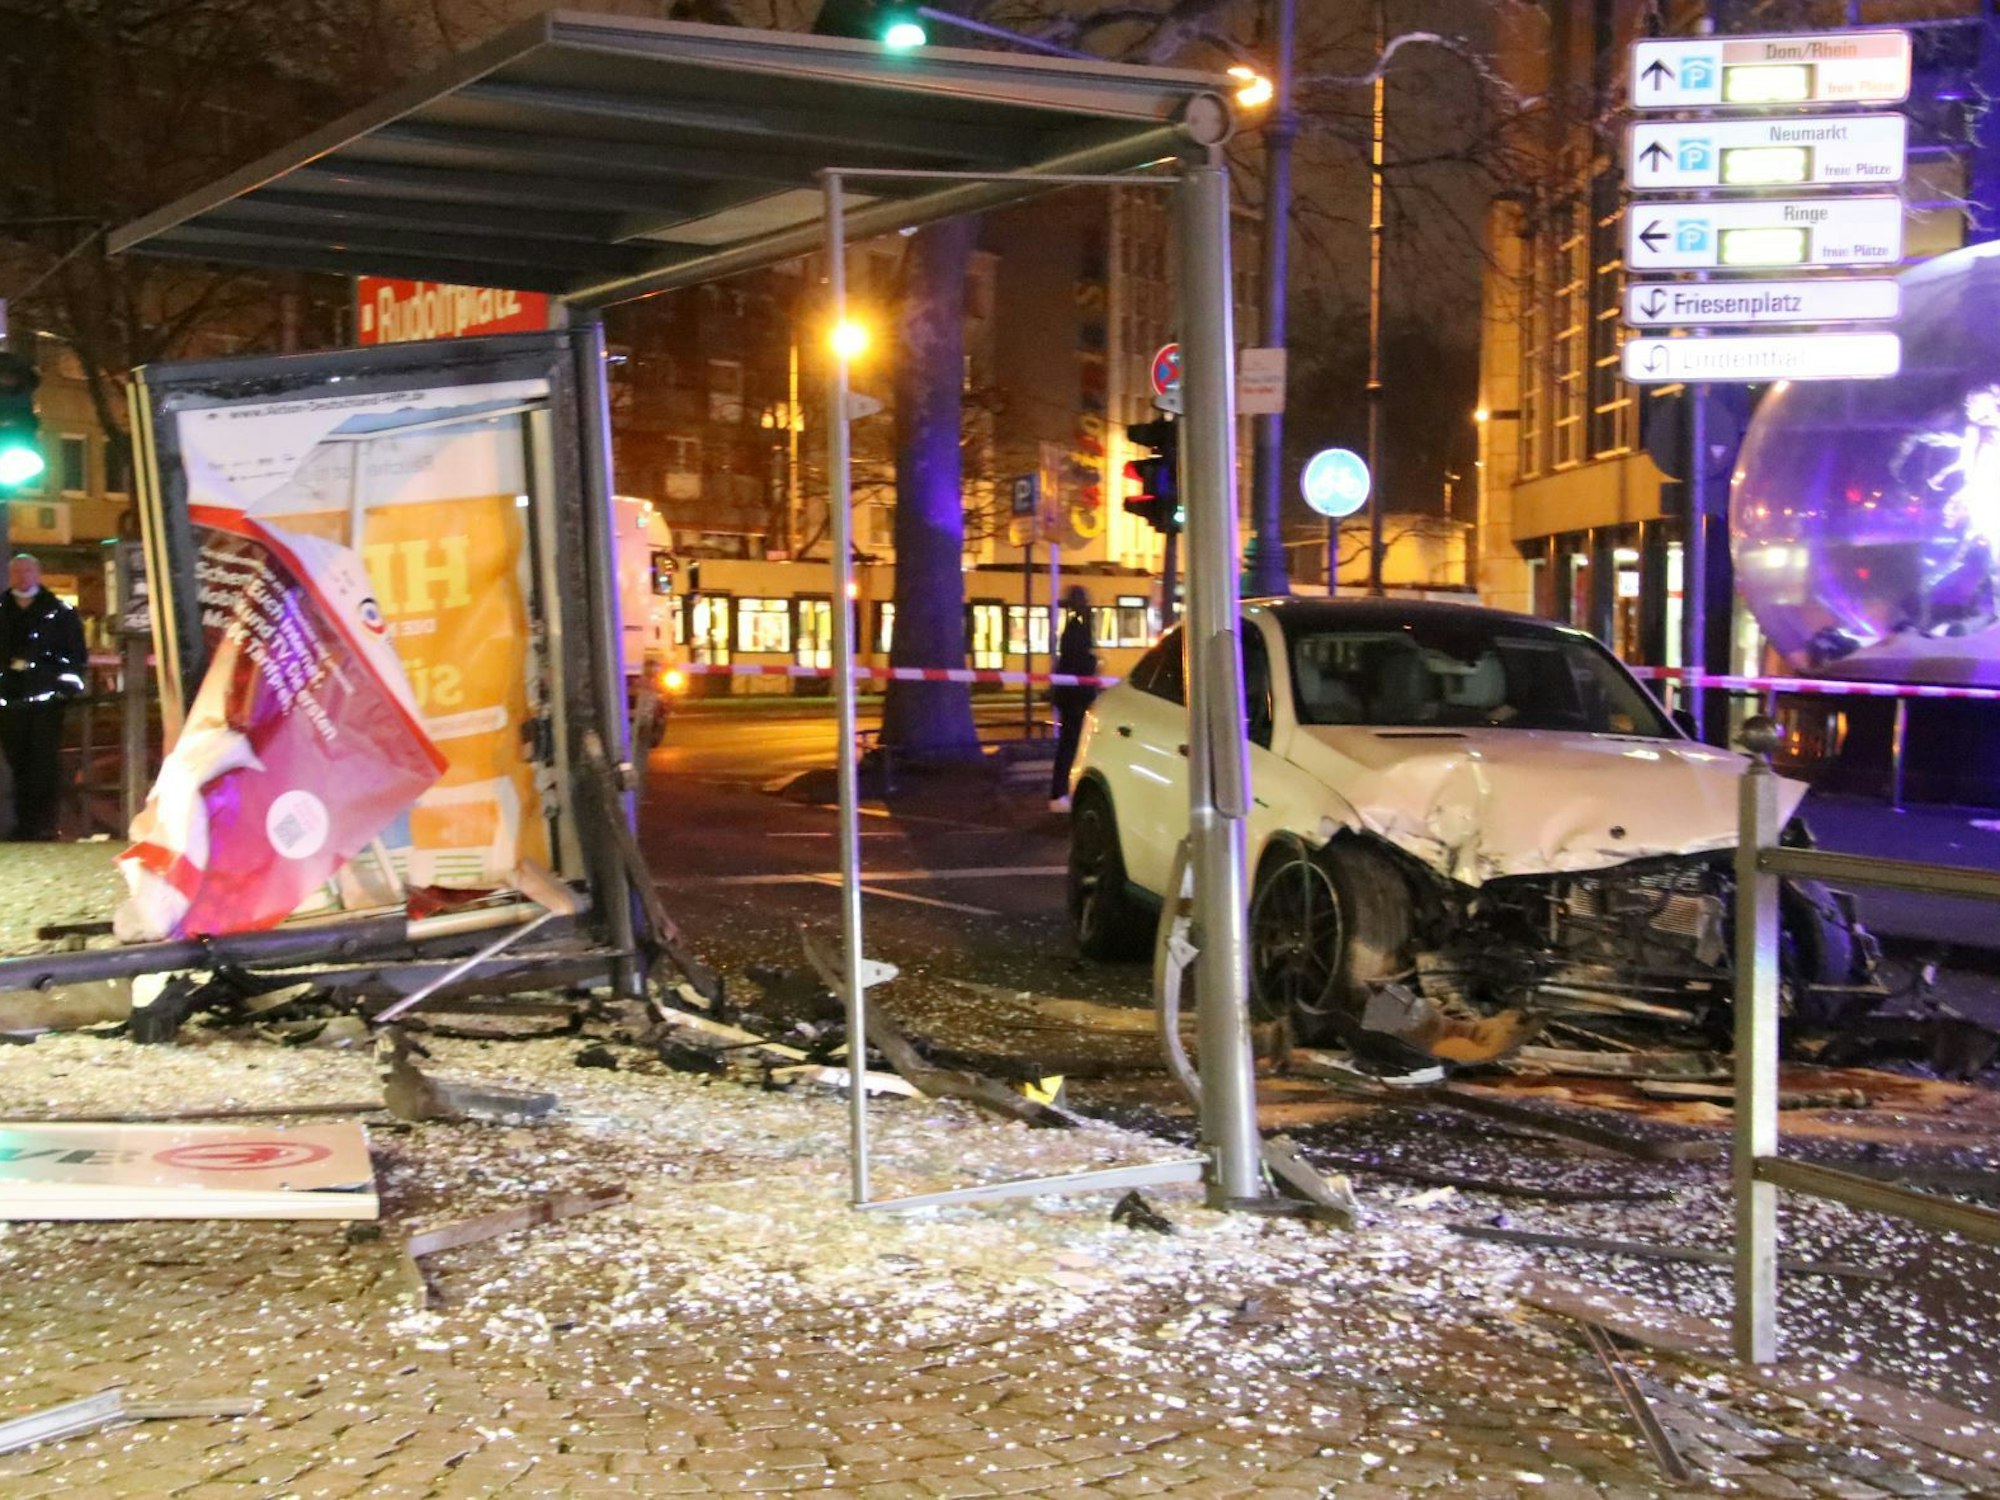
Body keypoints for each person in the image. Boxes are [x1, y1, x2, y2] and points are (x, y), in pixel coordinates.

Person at [0, 554, 87, 840]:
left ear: (38, 574)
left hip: (47, 699)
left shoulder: (59, 612)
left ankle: (43, 824)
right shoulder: (3, 609)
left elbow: (76, 655)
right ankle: (25, 824)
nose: (22, 576)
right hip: (9, 698)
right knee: (18, 760)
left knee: (44, 762)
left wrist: (65, 688)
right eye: (17, 571)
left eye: (28, 570)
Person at [1049, 585, 1098, 813]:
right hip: (1075, 698)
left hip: (1071, 696)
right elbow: (1080, 662)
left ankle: (1063, 791)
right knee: (1070, 745)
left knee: (1070, 744)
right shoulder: (1077, 629)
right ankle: (1060, 793)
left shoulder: (1072, 628)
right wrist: (1092, 663)